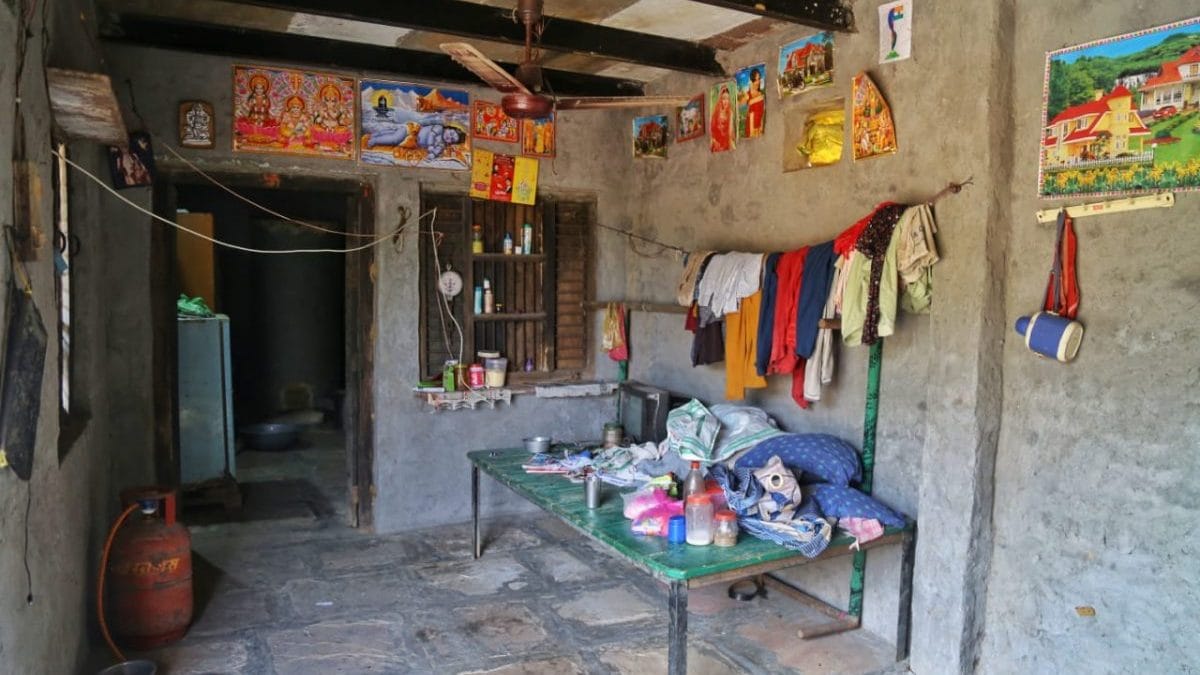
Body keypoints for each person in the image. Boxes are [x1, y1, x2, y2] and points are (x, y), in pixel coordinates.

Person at [710, 85, 734, 152]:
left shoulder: (730, 113)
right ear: (720, 99)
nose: (726, 101)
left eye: (727, 99)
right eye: (724, 98)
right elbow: (712, 130)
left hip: (726, 144)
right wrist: (714, 142)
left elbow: (730, 133)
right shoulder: (716, 113)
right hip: (716, 144)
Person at [746, 68, 766, 137]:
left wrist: (761, 127)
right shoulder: (748, 95)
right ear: (751, 81)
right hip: (752, 128)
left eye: (759, 79)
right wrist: (752, 132)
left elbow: (762, 112)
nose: (758, 82)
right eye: (755, 80)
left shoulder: (761, 94)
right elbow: (750, 111)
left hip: (759, 128)